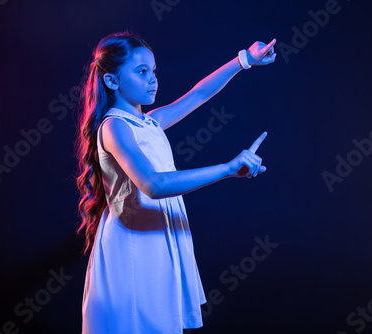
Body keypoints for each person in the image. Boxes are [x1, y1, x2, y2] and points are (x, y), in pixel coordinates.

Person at [75, 30, 276, 334]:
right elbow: (154, 184)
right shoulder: (114, 127)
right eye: (142, 71)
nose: (153, 79)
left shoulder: (149, 122)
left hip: (158, 239)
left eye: (153, 71)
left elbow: (198, 94)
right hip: (134, 245)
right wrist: (227, 169)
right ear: (112, 81)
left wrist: (244, 60)